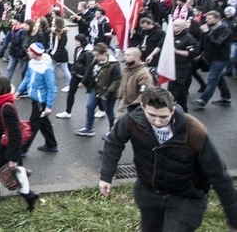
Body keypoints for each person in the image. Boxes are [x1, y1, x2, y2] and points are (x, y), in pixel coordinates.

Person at [99, 87, 237, 231]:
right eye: (152, 115)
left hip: (186, 197)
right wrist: (106, 176)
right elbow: (114, 142)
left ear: (172, 110)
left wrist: (234, 218)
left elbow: (219, 174)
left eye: (163, 117)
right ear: (142, 107)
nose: (157, 122)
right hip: (149, 193)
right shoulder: (131, 120)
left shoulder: (194, 130)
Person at [0, 74, 39, 223]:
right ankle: (29, 196)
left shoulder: (6, 107)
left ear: (0, 88)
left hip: (1, 151)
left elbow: (15, 135)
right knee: (12, 178)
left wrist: (13, 159)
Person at [15, 43, 58, 154]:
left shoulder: (47, 69)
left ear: (35, 53)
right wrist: (19, 91)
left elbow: (52, 88)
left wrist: (49, 106)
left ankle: (23, 148)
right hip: (36, 99)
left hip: (41, 101)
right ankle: (51, 144)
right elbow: (27, 78)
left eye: (30, 51)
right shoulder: (32, 62)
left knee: (33, 125)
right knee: (44, 123)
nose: (28, 52)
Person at [75, 43, 121, 139]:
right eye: (94, 55)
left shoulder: (114, 65)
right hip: (96, 88)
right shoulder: (96, 61)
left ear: (104, 53)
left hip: (107, 92)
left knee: (109, 112)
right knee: (89, 106)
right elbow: (90, 71)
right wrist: (83, 82)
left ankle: (112, 132)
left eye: (97, 55)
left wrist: (107, 93)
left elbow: (116, 81)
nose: (95, 57)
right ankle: (88, 128)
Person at [194, 10, 232, 108]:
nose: (207, 20)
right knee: (219, 78)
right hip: (209, 57)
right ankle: (226, 97)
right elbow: (203, 42)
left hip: (220, 58)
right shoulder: (208, 28)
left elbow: (218, 43)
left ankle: (203, 100)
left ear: (217, 19)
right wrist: (199, 53)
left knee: (212, 78)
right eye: (207, 18)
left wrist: (207, 32)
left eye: (209, 19)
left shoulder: (225, 30)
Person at [56, 34, 94, 119]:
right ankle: (67, 112)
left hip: (85, 77)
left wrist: (83, 81)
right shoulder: (78, 49)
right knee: (71, 93)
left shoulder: (88, 53)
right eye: (75, 41)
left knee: (93, 93)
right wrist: (73, 70)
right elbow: (76, 61)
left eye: (77, 41)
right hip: (76, 75)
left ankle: (102, 109)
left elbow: (88, 68)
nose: (75, 43)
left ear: (83, 42)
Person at [116, 47, 155, 119]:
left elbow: (145, 94)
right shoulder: (127, 68)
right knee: (118, 123)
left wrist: (132, 106)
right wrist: (120, 97)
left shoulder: (143, 74)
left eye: (128, 55)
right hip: (124, 101)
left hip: (135, 106)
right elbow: (123, 83)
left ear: (136, 58)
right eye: (125, 55)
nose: (125, 57)